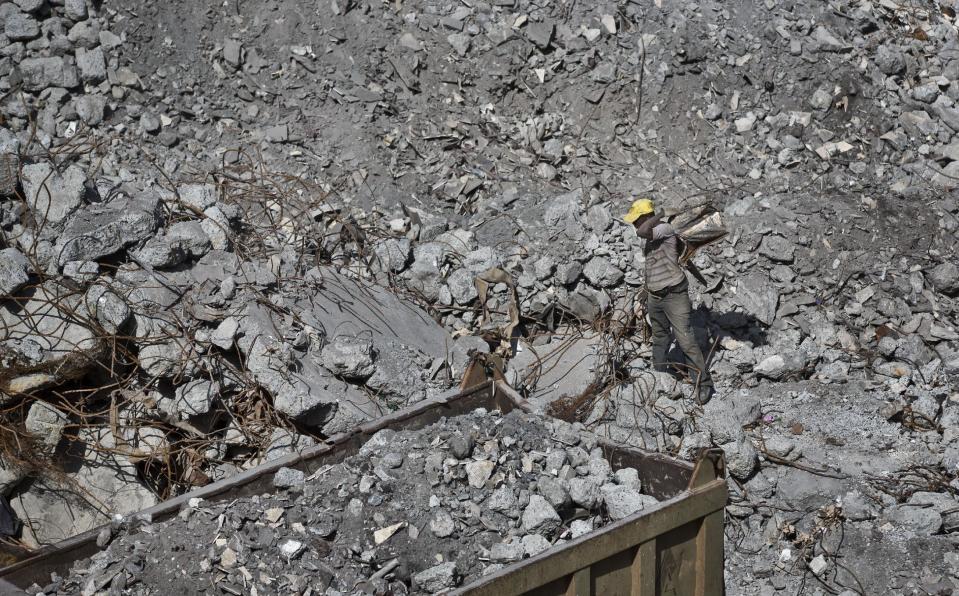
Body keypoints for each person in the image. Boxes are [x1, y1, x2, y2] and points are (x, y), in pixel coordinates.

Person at [624, 198, 714, 404]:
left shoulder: (664, 228)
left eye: (637, 219)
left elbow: (642, 231)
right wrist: (646, 291)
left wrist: (660, 214)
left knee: (685, 340)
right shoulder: (652, 236)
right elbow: (653, 265)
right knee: (660, 336)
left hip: (675, 295)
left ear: (647, 217)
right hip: (656, 296)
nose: (634, 224)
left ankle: (704, 384)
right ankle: (659, 376)